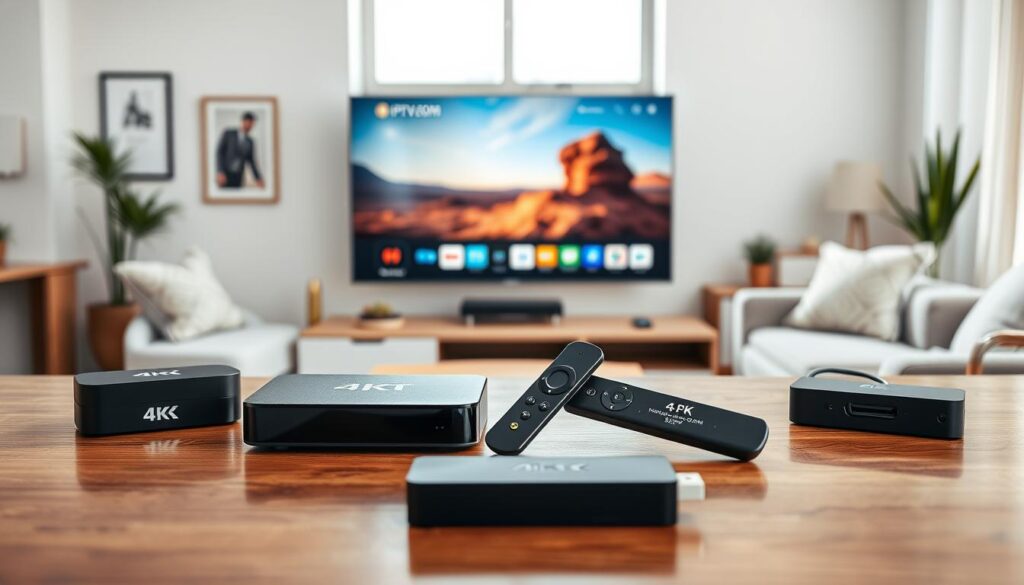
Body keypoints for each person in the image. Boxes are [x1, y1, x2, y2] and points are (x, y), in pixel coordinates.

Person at [215, 111, 264, 189]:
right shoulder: (229, 133)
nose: (250, 126)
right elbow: (219, 152)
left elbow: (251, 161)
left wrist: (258, 178)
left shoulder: (250, 141)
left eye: (252, 124)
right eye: (249, 123)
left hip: (238, 177)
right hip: (225, 175)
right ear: (243, 121)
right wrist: (220, 171)